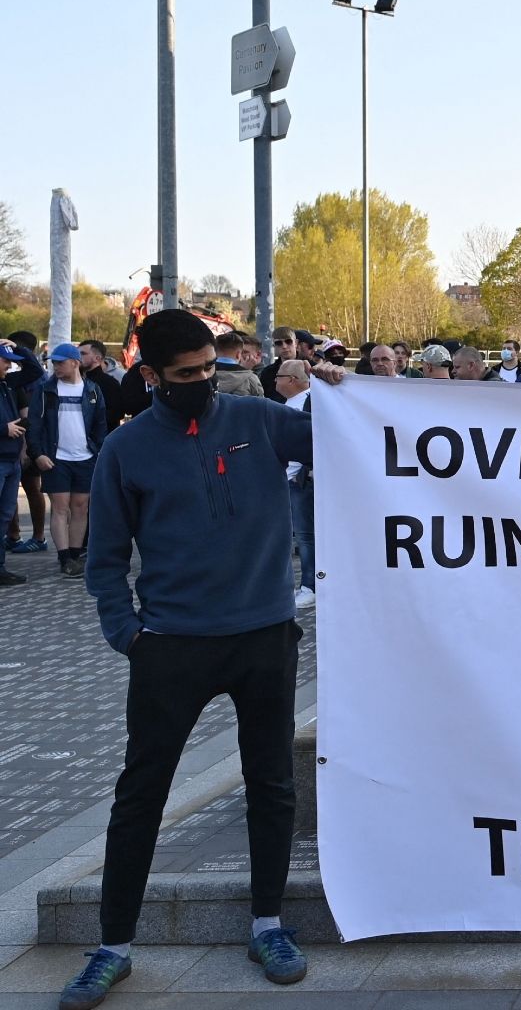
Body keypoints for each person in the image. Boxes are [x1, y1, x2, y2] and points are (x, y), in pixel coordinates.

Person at [59, 310, 348, 1010]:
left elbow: (354, 442)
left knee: (272, 784)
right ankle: (113, 946)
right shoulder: (126, 452)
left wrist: (348, 389)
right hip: (172, 648)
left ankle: (269, 925)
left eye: (208, 369)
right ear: (150, 375)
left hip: (263, 638)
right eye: (185, 375)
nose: (202, 384)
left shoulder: (259, 419)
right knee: (141, 796)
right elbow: (104, 560)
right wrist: (127, 632)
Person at [27, 344, 108, 578]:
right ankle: (64, 559)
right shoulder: (46, 390)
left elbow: (100, 424)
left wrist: (97, 450)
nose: (56, 367)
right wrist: (38, 454)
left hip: (85, 458)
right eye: (54, 363)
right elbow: (34, 425)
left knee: (81, 508)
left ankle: (75, 555)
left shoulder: (92, 390)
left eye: (61, 362)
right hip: (56, 459)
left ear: (75, 363)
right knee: (60, 509)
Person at [273, 360, 318, 612]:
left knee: (306, 538)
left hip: (303, 483)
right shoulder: (291, 404)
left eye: (278, 376)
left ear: (291, 379)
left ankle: (310, 586)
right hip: (289, 482)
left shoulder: (310, 402)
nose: (274, 381)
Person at [0, 336, 42, 587]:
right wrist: (3, 430)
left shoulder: (8, 383)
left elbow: (34, 370)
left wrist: (19, 349)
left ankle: (1, 568)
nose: (10, 365)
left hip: (11, 461)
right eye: (6, 360)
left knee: (4, 517)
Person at [78, 341, 126, 430]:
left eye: (83, 353)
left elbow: (117, 413)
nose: (78, 357)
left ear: (97, 358)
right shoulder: (74, 381)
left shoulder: (110, 383)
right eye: (77, 353)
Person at [213, 333, 265, 397]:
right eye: (242, 352)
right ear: (238, 355)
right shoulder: (251, 379)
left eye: (245, 352)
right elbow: (261, 404)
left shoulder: (203, 374)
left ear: (214, 352)